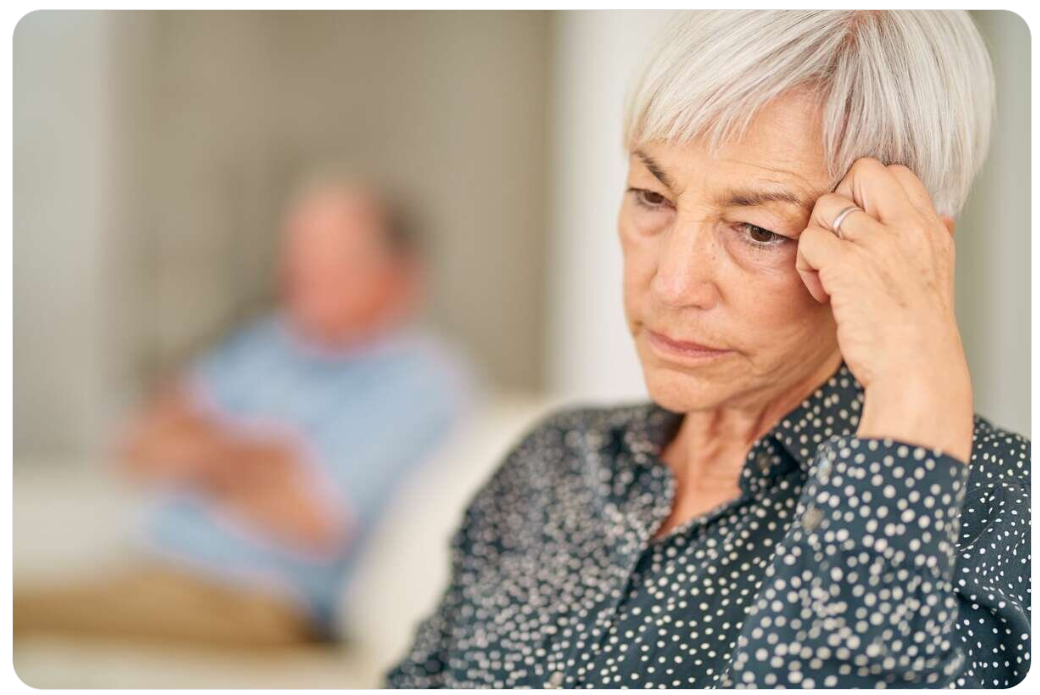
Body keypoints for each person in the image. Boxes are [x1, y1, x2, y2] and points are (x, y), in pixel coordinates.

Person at [385, 10, 1029, 688]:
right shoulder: (557, 463)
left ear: (907, 251)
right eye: (651, 196)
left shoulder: (999, 509)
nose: (672, 283)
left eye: (758, 230)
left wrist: (916, 386)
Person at [14, 175, 473, 647]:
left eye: (332, 256)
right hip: (156, 566)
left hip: (259, 602)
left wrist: (202, 451)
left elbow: (314, 519)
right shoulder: (269, 344)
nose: (302, 272)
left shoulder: (421, 383)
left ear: (398, 273)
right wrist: (257, 462)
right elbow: (137, 445)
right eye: (298, 253)